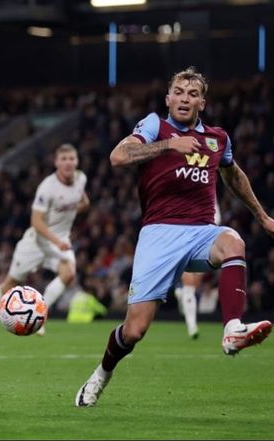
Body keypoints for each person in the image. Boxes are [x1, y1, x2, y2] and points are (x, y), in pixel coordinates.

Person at [75, 67, 274, 407]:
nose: (185, 98)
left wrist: (263, 216)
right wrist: (168, 146)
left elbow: (234, 176)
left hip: (200, 231)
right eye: (179, 92)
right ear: (168, 99)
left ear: (202, 103)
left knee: (234, 242)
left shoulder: (218, 138)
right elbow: (118, 156)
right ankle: (100, 375)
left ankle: (232, 330)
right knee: (134, 331)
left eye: (192, 94)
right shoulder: (155, 126)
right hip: (159, 234)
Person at [0, 143, 89, 336]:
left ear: (77, 161)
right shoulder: (47, 187)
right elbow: (36, 222)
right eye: (63, 159)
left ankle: (41, 314)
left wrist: (71, 210)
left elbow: (84, 202)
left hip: (60, 239)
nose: (68, 163)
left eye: (72, 158)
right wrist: (57, 241)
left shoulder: (81, 179)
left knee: (68, 273)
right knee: (11, 282)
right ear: (56, 162)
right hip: (37, 240)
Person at [174, 200, 222, 339]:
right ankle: (192, 326)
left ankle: (181, 293)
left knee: (193, 287)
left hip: (203, 243)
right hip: (185, 241)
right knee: (189, 285)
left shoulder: (211, 198)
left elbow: (216, 220)